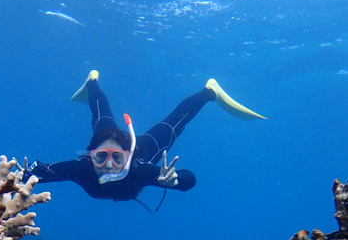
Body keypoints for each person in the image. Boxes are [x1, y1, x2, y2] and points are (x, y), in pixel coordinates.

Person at [19, 71, 265, 210]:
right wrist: (19, 176)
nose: (108, 164)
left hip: (143, 148)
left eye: (117, 158)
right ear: (90, 155)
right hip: (108, 137)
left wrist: (174, 180)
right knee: (102, 117)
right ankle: (92, 81)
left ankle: (209, 91)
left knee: (172, 125)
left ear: (128, 157)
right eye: (100, 156)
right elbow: (37, 173)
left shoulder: (141, 171)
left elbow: (189, 180)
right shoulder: (81, 169)